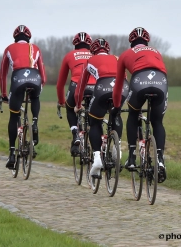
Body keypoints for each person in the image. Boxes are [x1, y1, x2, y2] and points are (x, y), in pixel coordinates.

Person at [112, 27, 168, 183]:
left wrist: (117, 106)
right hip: (161, 81)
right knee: (157, 122)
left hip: (139, 81)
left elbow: (118, 85)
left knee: (133, 113)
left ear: (131, 42)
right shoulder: (157, 52)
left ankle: (131, 157)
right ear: (147, 42)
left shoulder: (124, 55)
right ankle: (160, 160)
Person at [74, 38, 129, 177]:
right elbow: (125, 77)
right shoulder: (117, 58)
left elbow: (80, 87)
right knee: (116, 114)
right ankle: (118, 147)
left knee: (94, 121)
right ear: (108, 50)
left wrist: (78, 104)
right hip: (122, 88)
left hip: (102, 87)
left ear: (93, 51)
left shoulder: (90, 61)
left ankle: (97, 158)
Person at [0, 25, 47, 170]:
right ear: (29, 38)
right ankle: (35, 122)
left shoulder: (9, 49)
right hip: (35, 78)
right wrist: (38, 90)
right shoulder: (36, 48)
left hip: (18, 78)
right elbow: (43, 75)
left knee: (14, 116)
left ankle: (12, 153)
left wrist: (4, 95)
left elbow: (2, 74)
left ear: (15, 39)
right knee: (35, 97)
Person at [56, 32, 96, 155]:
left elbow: (60, 84)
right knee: (96, 115)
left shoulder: (69, 56)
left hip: (76, 87)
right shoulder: (95, 55)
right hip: (95, 87)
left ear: (75, 45)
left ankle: (76, 135)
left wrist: (62, 101)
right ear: (90, 44)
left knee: (70, 108)